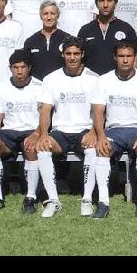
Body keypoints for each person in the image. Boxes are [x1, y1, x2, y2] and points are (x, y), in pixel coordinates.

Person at [35, 37, 99, 218]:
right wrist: (42, 134)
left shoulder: (94, 79)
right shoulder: (51, 79)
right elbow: (46, 110)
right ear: (63, 55)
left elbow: (98, 110)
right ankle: (53, 200)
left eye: (76, 54)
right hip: (60, 132)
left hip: (84, 130)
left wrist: (94, 131)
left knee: (92, 150)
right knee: (42, 149)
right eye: (68, 54)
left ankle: (87, 199)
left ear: (82, 55)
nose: (72, 58)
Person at [92, 41, 137, 219]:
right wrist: (101, 136)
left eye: (129, 56)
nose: (125, 60)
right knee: (102, 150)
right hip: (114, 131)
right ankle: (103, 202)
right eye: (121, 56)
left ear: (135, 58)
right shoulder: (104, 80)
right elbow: (98, 110)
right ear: (115, 58)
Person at [0, 49, 44, 214]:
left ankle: (30, 197)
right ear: (10, 68)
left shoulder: (40, 86)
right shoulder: (1, 88)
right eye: (15, 67)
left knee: (31, 148)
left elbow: (44, 118)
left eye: (23, 67)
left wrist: (37, 133)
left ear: (29, 68)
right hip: (9, 132)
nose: (19, 71)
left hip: (31, 131)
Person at [78, 0, 137, 75]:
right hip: (92, 82)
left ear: (116, 3)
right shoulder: (85, 30)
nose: (105, 5)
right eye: (101, 0)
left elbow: (134, 60)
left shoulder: (127, 29)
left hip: (117, 82)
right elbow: (80, 60)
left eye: (109, 0)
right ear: (96, 3)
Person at [22, 0, 72, 80]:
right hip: (37, 87)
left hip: (60, 85)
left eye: (52, 13)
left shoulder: (67, 39)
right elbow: (25, 67)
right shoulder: (30, 41)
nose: (49, 17)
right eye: (45, 14)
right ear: (41, 16)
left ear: (58, 16)